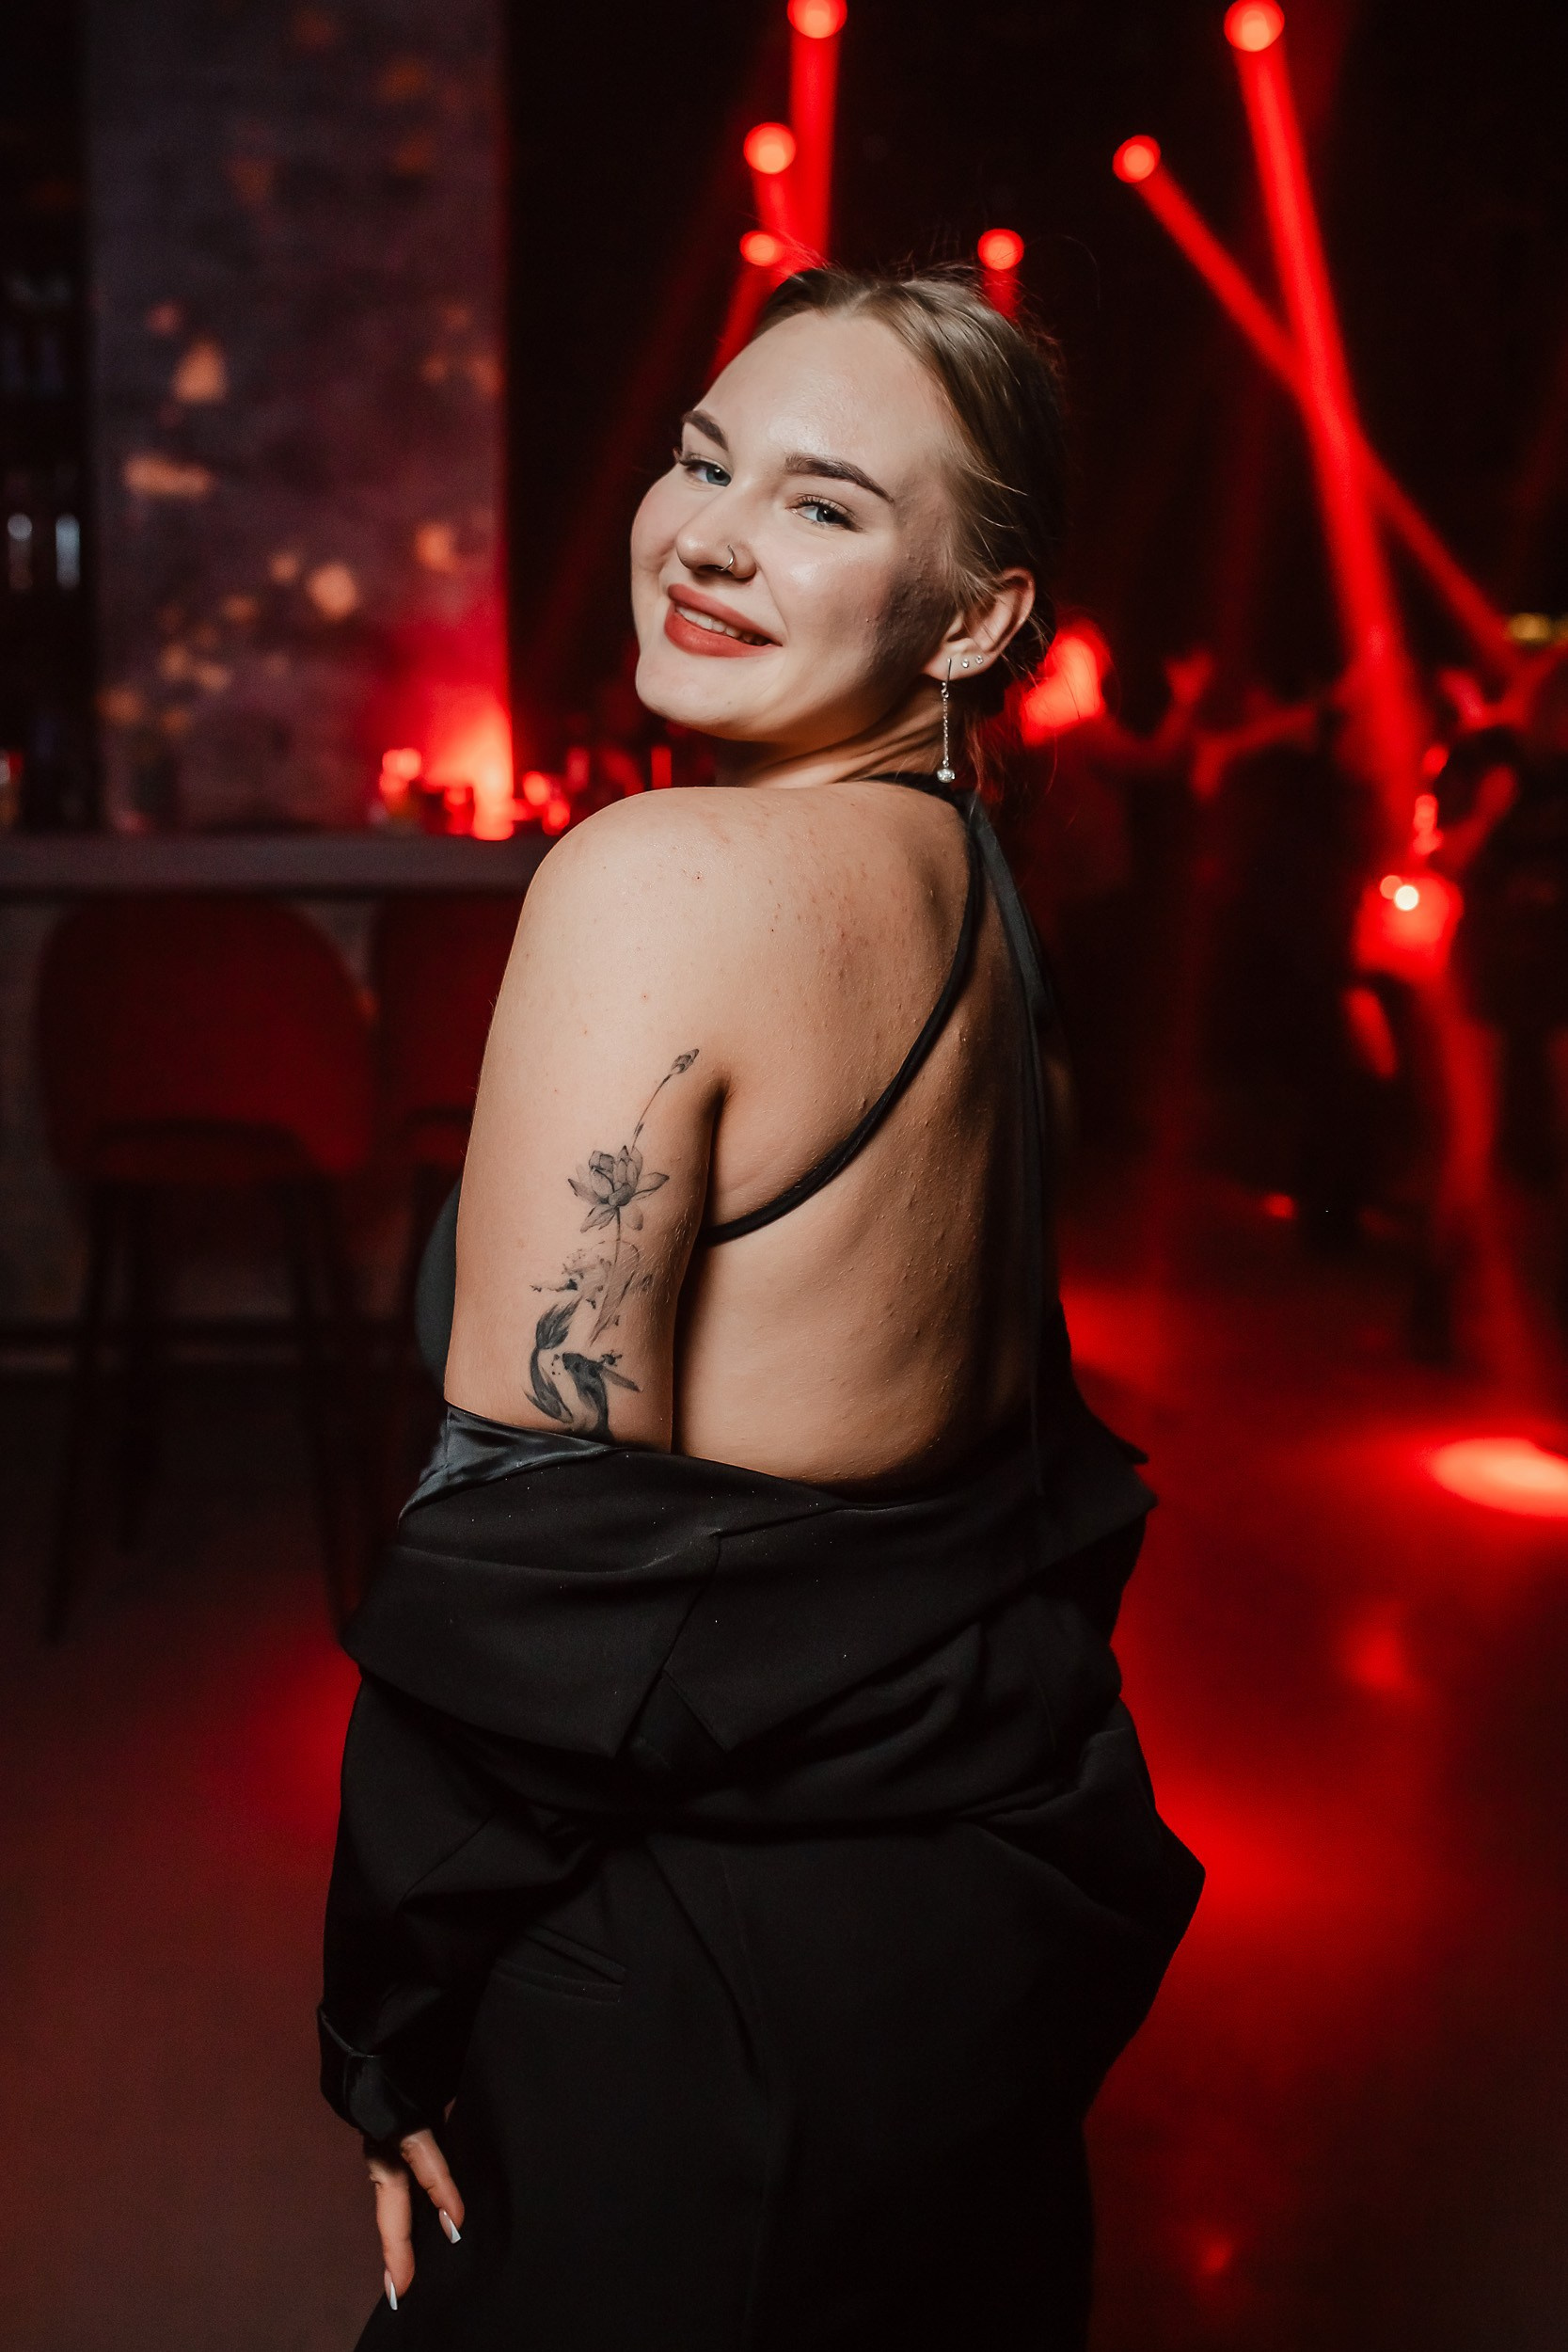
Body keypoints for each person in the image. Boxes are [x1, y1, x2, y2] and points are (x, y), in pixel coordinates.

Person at [318, 266, 1202, 2350]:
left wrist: (391, 2007)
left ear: (974, 618)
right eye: (702, 460)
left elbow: (527, 1562)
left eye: (821, 504)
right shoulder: (981, 899)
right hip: (953, 1961)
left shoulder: (660, 878)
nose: (706, 536)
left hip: (693, 1981)